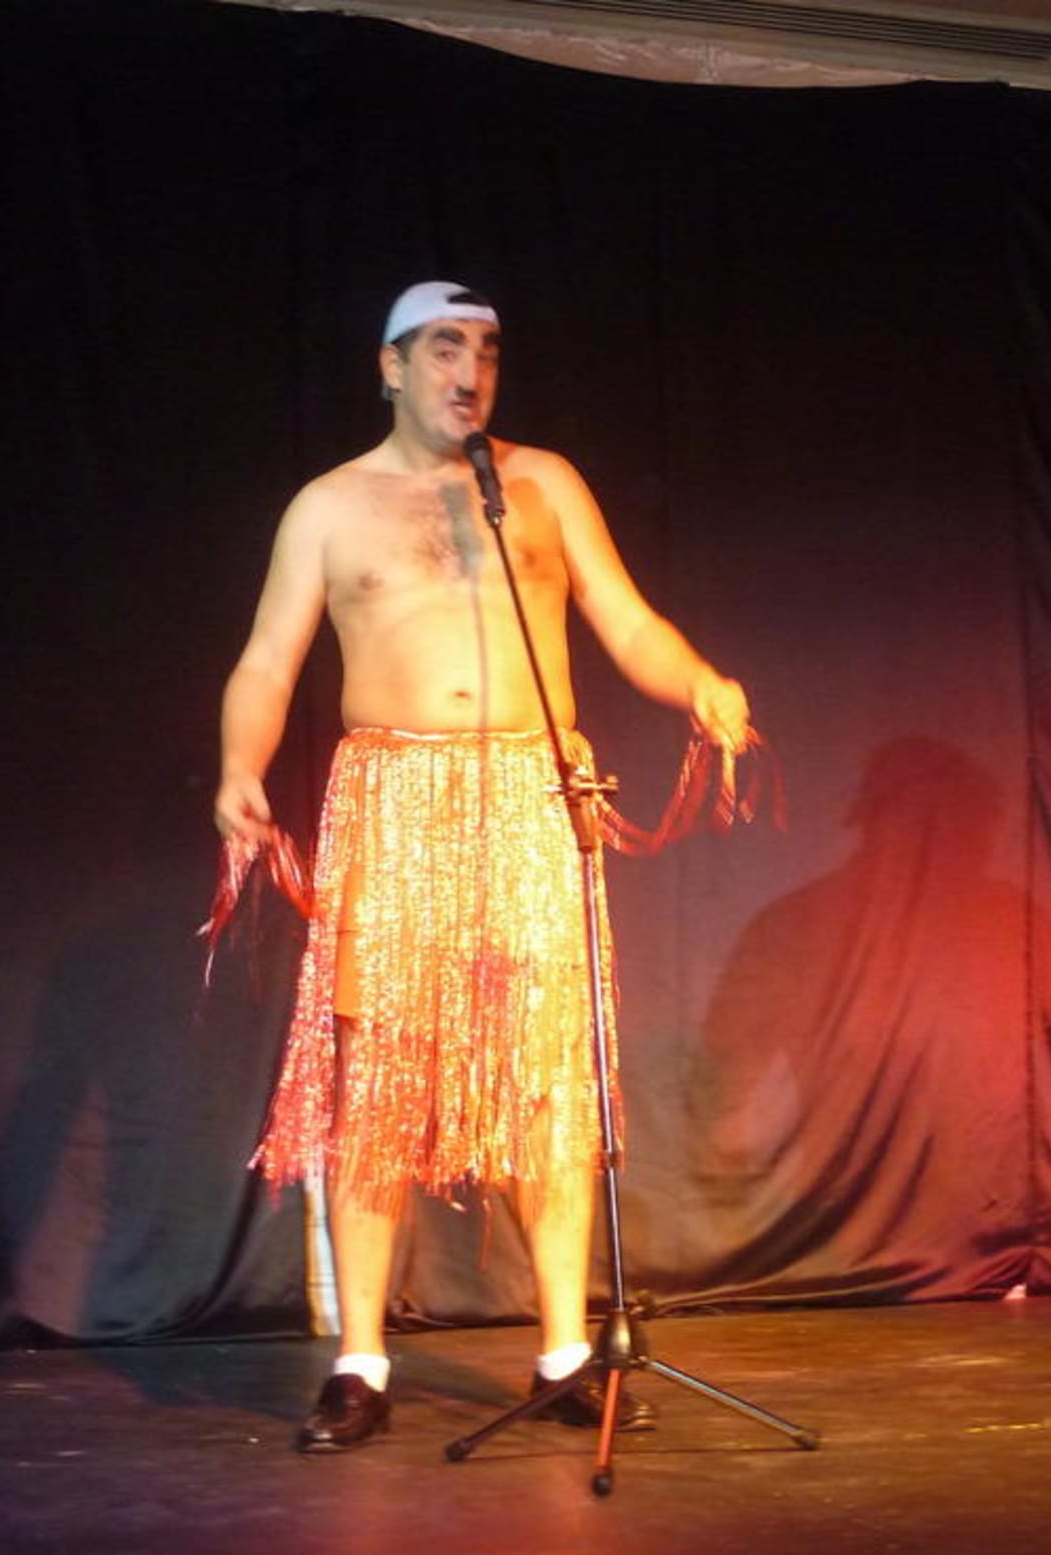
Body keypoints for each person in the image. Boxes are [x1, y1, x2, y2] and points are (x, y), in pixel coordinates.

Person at [215, 281, 750, 1452]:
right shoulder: (329, 506)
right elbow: (267, 660)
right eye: (446, 349)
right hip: (395, 799)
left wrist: (699, 682)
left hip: (529, 793)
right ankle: (361, 1364)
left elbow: (626, 620)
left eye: (489, 352)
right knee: (375, 1080)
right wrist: (239, 767)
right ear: (391, 366)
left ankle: (562, 1353)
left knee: (546, 1073)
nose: (471, 373)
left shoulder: (542, 485)